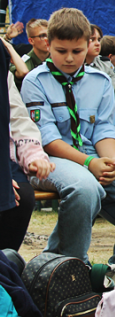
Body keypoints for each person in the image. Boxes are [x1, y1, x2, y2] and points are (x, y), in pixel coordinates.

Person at [20, 8, 115, 276]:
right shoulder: (34, 82)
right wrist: (90, 163)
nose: (70, 58)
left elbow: (104, 129)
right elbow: (46, 138)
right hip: (50, 159)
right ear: (47, 44)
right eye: (61, 51)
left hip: (92, 154)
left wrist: (111, 161)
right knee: (85, 188)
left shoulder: (101, 81)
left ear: (88, 46)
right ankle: (70, 268)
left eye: (77, 51)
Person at [1, 71, 55, 251]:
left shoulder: (3, 73)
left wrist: (34, 157)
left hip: (3, 157)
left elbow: (18, 120)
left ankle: (5, 267)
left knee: (21, 197)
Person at [11, 19, 49, 89]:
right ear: (31, 41)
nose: (47, 39)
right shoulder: (24, 64)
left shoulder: (57, 60)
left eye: (49, 35)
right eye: (42, 36)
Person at [86, 25, 115, 90]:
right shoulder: (74, 65)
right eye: (92, 40)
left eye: (99, 40)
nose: (97, 44)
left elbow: (114, 88)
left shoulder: (106, 64)